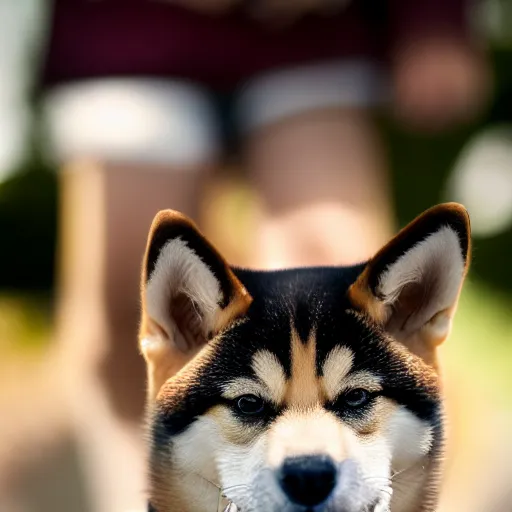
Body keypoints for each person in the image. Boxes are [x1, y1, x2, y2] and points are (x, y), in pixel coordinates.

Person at [40, 1, 489, 510]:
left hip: (307, 34)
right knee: (131, 311)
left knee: (342, 288)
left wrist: (433, 20)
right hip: (129, 34)